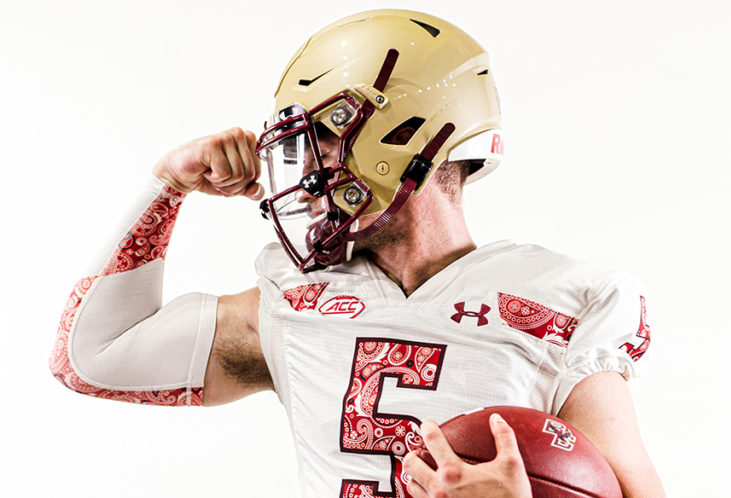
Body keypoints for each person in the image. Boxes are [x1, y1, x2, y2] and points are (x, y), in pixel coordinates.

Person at [50, 9, 664, 498]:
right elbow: (89, 358)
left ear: (400, 138)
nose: (301, 167)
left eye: (318, 136)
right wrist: (167, 185)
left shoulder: (560, 301)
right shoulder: (291, 301)